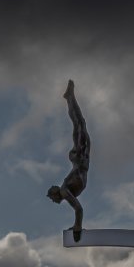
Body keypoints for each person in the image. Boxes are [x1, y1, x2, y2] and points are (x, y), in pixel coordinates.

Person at [47, 79, 90, 241]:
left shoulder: (65, 192)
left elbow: (79, 209)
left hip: (79, 158)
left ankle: (70, 97)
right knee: (80, 124)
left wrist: (77, 228)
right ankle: (70, 97)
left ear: (55, 194)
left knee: (79, 124)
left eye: (52, 198)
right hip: (81, 160)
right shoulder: (66, 190)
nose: (54, 201)